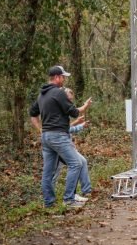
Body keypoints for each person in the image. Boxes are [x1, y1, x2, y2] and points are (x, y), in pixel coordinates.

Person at [29, 66, 92, 207]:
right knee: (76, 163)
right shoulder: (59, 93)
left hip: (46, 137)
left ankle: (49, 203)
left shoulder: (41, 95)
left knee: (48, 172)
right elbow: (74, 113)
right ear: (57, 77)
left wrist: (41, 130)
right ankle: (69, 200)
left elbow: (33, 115)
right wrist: (84, 106)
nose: (64, 79)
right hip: (59, 136)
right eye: (63, 77)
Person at [51, 88, 91, 202]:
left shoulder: (62, 108)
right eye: (68, 99)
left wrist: (78, 123)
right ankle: (53, 199)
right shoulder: (57, 108)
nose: (69, 101)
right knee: (55, 173)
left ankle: (81, 192)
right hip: (58, 144)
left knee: (80, 162)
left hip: (64, 143)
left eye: (71, 100)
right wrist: (80, 125)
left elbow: (66, 128)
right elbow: (63, 129)